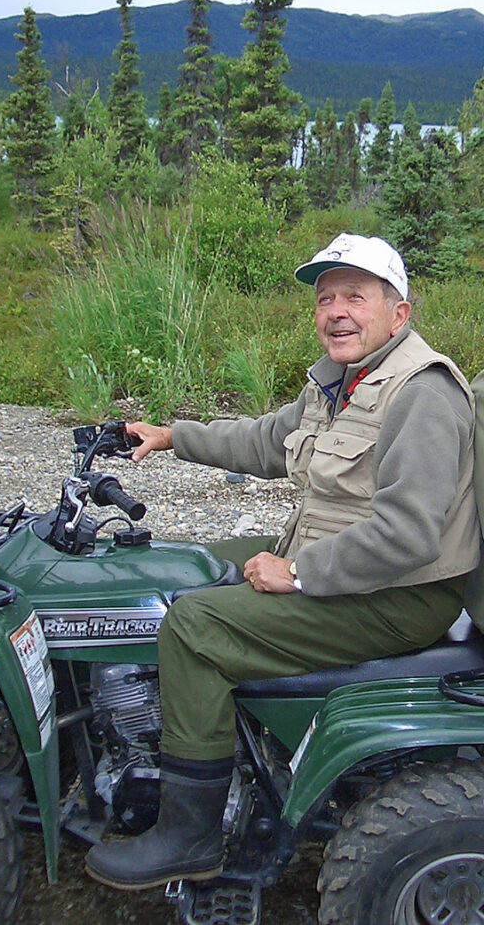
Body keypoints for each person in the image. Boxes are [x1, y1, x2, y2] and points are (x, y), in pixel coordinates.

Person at [85, 232, 480, 891]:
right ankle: (198, 734)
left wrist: (297, 573)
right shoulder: (344, 383)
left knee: (195, 629)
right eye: (326, 299)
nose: (337, 311)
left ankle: (190, 834)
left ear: (399, 312)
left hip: (399, 592)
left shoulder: (422, 392)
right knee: (183, 567)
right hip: (342, 563)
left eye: (357, 295)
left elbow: (410, 533)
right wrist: (173, 435)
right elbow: (269, 439)